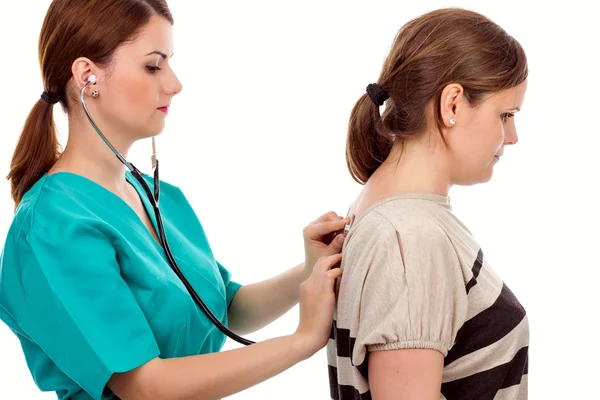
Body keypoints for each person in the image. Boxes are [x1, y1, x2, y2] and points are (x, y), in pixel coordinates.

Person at [0, 1, 350, 399]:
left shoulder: (157, 196)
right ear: (87, 75)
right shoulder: (53, 226)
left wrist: (310, 269)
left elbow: (224, 309)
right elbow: (144, 386)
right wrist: (302, 341)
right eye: (154, 65)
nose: (174, 83)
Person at [327, 8, 529, 400]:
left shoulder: (384, 210)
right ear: (452, 104)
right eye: (505, 114)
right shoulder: (411, 237)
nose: (513, 135)